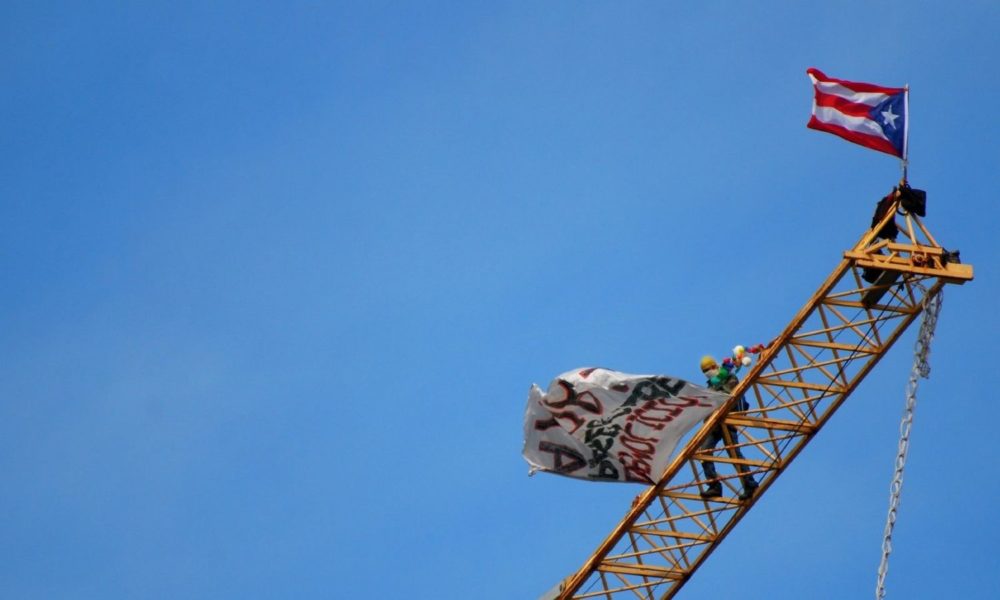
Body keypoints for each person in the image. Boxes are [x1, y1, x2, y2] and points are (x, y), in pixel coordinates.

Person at [698, 355, 759, 500]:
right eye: (705, 371)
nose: (708, 372)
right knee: (703, 452)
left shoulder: (730, 378)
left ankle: (749, 484)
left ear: (715, 366)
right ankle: (714, 485)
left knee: (734, 454)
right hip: (714, 423)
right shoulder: (710, 386)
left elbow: (728, 395)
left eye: (709, 369)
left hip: (728, 419)